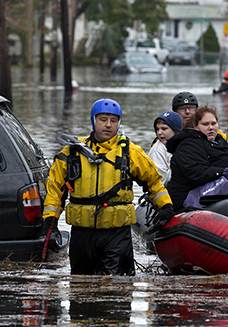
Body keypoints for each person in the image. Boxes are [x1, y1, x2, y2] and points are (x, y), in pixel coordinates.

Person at [42, 98, 174, 276]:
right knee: (81, 290)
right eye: (103, 119)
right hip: (83, 234)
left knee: (117, 291)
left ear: (119, 123)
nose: (108, 125)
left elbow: (154, 183)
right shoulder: (71, 153)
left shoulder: (131, 153)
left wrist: (166, 207)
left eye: (114, 120)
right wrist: (50, 222)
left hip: (117, 235)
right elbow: (55, 190)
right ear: (93, 120)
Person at [166, 105, 228, 207]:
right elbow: (197, 174)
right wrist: (225, 172)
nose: (211, 127)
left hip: (214, 187)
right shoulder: (188, 144)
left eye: (213, 123)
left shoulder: (220, 142)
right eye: (205, 124)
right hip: (188, 196)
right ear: (195, 126)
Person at [148, 110, 183, 185]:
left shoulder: (183, 146)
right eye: (157, 129)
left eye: (164, 129)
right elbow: (160, 180)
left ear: (175, 130)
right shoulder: (157, 151)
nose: (159, 133)